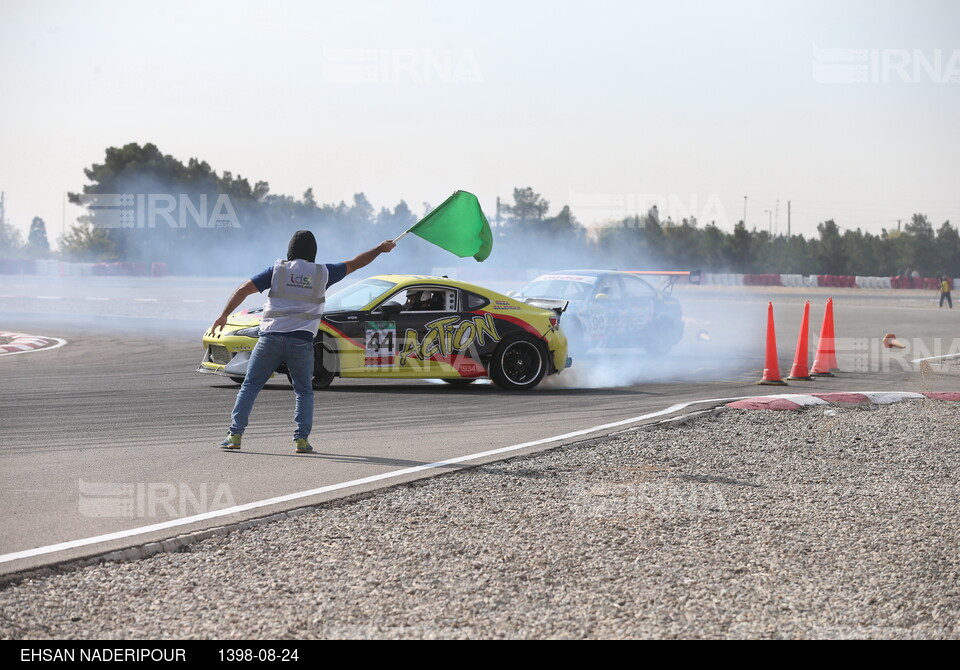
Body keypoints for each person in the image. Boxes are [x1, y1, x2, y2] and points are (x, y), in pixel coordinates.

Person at [211, 231, 395, 453]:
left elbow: (243, 290)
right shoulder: (323, 273)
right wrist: (379, 249)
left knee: (250, 385)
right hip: (301, 341)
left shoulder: (277, 271)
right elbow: (357, 263)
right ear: (313, 252)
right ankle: (301, 440)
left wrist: (224, 315)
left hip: (270, 338)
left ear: (290, 251)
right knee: (303, 391)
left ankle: (235, 435)